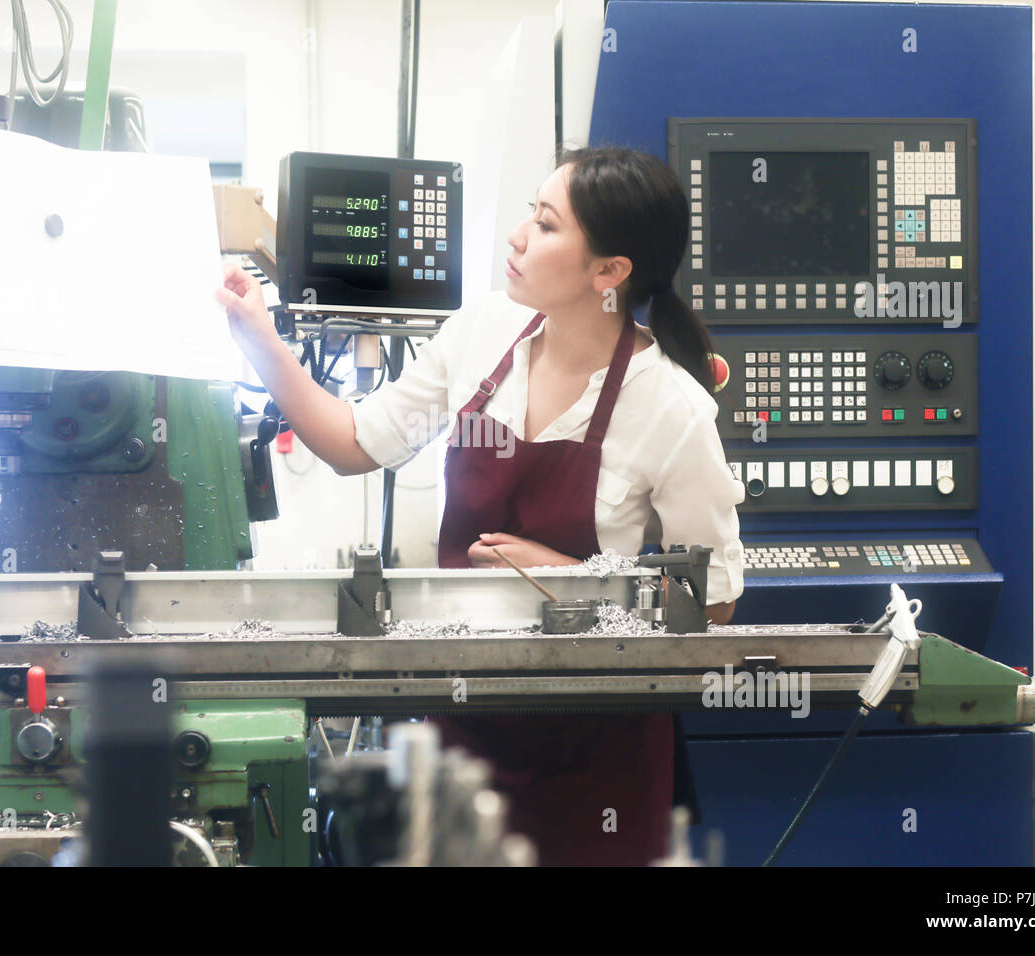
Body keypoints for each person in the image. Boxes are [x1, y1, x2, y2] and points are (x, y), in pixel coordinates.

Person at [218, 145, 745, 866]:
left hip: (597, 755)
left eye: (548, 225)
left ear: (609, 273)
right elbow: (353, 442)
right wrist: (260, 341)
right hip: (467, 728)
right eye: (532, 211)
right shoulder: (482, 334)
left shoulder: (669, 405)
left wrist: (567, 579)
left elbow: (711, 600)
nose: (518, 235)